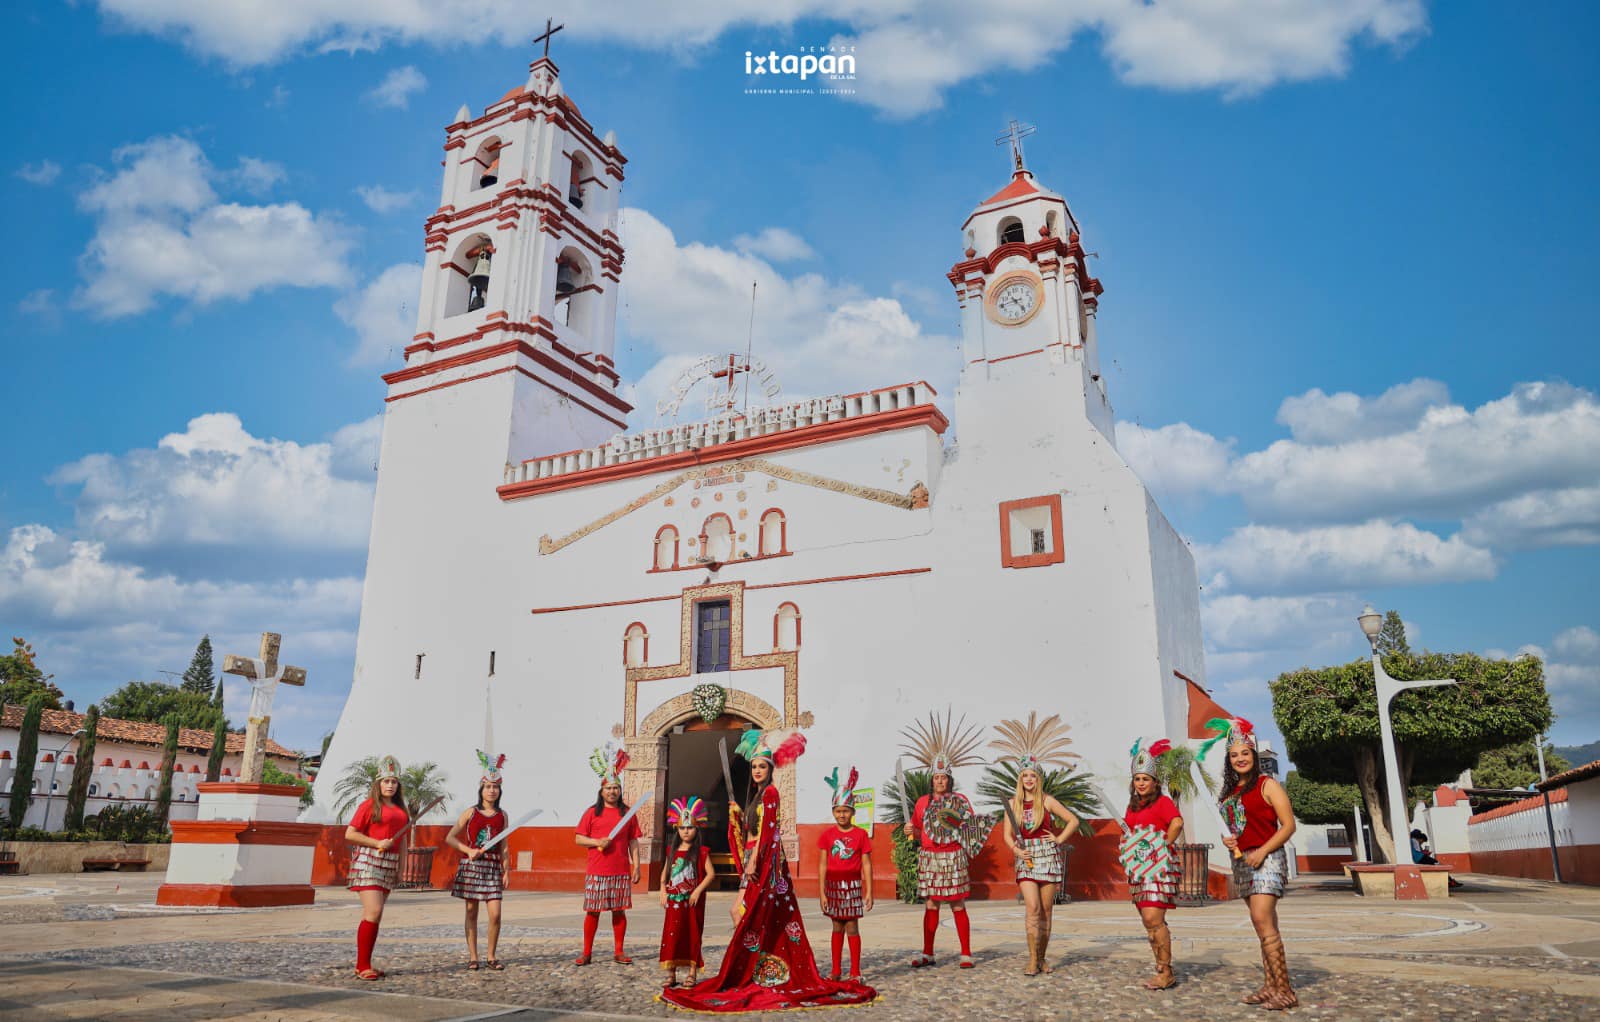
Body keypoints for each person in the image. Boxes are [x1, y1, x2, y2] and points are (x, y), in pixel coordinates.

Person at [661, 729, 876, 1011]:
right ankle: (757, 962)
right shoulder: (758, 796)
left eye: (762, 766)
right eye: (754, 767)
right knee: (748, 914)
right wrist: (738, 814)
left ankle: (757, 964)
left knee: (747, 912)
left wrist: (754, 861)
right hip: (756, 857)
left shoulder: (771, 793)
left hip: (765, 863)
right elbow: (753, 828)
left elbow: (769, 832)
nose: (757, 771)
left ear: (771, 768)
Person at [1204, 716, 1298, 1011]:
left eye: (1245, 753)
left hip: (1267, 859)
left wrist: (1262, 851)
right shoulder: (1230, 793)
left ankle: (1286, 991)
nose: (1240, 759)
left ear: (1254, 755)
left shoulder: (1267, 785)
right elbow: (1235, 829)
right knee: (1264, 926)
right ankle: (1271, 986)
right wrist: (1228, 841)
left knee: (1262, 920)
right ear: (1228, 760)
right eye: (1234, 755)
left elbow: (1288, 825)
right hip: (1242, 862)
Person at [902, 709, 994, 969]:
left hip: (953, 856)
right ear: (931, 780)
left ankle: (966, 953)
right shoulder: (921, 803)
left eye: (943, 777)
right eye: (936, 778)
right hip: (930, 857)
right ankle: (928, 953)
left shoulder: (961, 802)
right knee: (931, 904)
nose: (940, 781)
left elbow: (970, 831)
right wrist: (912, 832)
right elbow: (921, 832)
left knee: (956, 903)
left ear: (949, 779)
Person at [991, 712, 1082, 976]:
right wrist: (1014, 848)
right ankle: (1032, 959)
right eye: (1024, 776)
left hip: (1048, 856)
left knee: (1046, 910)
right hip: (1027, 855)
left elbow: (1073, 820)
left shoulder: (1048, 800)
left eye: (1032, 775)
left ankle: (1042, 958)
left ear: (1037, 778)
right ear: (1019, 779)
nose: (1028, 780)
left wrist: (1059, 838)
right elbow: (1007, 834)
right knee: (1032, 907)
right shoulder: (1012, 803)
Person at [1120, 737, 1185, 991]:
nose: (1141, 783)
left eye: (1145, 779)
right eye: (1138, 779)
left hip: (1158, 870)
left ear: (1155, 782)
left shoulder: (1163, 802)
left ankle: (1166, 970)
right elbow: (1129, 835)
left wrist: (1163, 846)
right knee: (1149, 923)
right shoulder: (1132, 806)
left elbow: (1177, 823)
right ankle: (1161, 967)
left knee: (1153, 917)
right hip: (1138, 870)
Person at [574, 742, 641, 965]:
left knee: (618, 911)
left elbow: (633, 841)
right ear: (601, 791)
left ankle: (619, 951)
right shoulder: (592, 813)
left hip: (620, 870)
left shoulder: (628, 814)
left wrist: (637, 866)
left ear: (620, 790)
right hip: (597, 870)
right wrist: (596, 841)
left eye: (615, 788)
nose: (612, 792)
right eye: (608, 788)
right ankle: (586, 952)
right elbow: (578, 838)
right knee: (593, 912)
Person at [344, 755, 409, 981]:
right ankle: (362, 965)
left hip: (389, 865)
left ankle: (363, 963)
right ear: (378, 783)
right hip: (369, 861)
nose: (390, 785)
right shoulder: (369, 805)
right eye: (386, 781)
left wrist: (402, 868)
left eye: (393, 782)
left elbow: (403, 842)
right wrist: (376, 843)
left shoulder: (402, 810)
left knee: (376, 915)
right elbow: (350, 833)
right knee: (373, 910)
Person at [446, 750, 510, 971]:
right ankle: (474, 956)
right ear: (481, 789)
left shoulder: (503, 815)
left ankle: (491, 955)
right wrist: (468, 850)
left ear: (499, 790)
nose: (491, 790)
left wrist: (506, 871)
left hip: (492, 867)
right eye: (488, 787)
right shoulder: (470, 813)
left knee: (495, 913)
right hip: (472, 866)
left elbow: (504, 845)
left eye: (495, 787)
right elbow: (450, 837)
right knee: (471, 911)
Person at [818, 766, 874, 981]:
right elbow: (822, 865)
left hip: (852, 886)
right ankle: (835, 970)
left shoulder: (860, 835)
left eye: (846, 810)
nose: (842, 814)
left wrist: (869, 890)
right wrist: (822, 893)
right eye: (838, 810)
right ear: (833, 812)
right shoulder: (827, 835)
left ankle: (855, 971)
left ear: (853, 811)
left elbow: (867, 865)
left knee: (852, 925)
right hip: (832, 886)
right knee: (836, 925)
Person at [659, 796, 715, 987]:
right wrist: (662, 890)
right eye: (682, 828)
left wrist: (697, 891)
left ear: (696, 828)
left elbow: (710, 874)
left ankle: (692, 972)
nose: (686, 831)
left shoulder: (701, 851)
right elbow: (665, 874)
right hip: (674, 901)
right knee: (672, 934)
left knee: (692, 934)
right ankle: (671, 973)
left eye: (689, 827)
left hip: (692, 902)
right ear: (677, 828)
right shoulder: (672, 850)